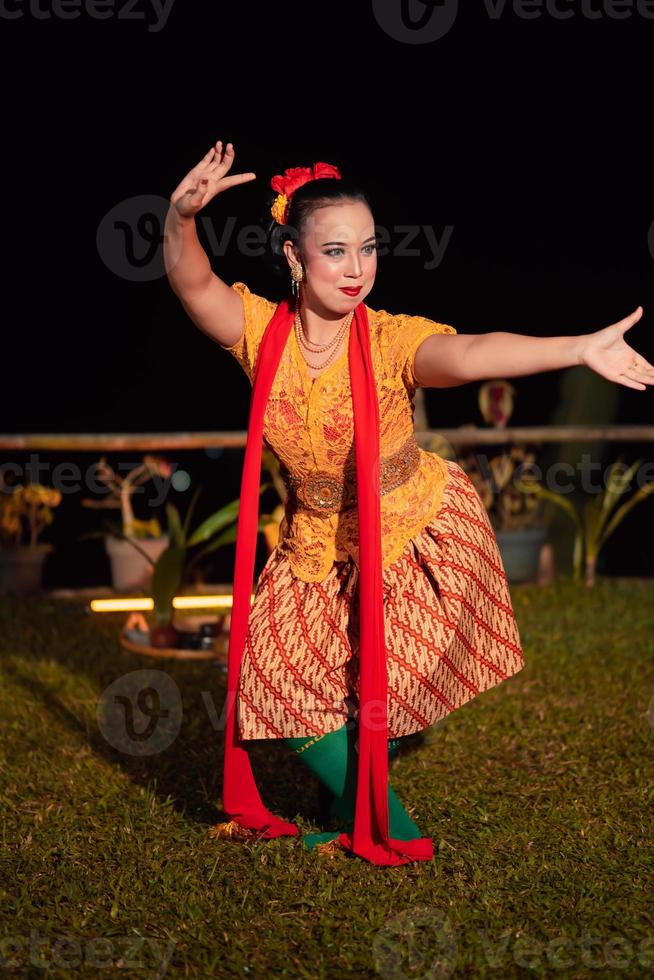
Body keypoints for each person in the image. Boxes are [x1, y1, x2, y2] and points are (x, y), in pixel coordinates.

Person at [164, 140, 652, 865]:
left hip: (409, 529)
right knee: (271, 676)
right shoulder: (260, 333)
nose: (357, 267)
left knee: (360, 688)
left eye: (368, 248)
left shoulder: (392, 339)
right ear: (294, 256)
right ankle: (362, 811)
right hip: (314, 541)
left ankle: (382, 822)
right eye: (336, 250)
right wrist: (179, 217)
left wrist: (576, 347)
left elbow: (473, 353)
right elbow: (192, 282)